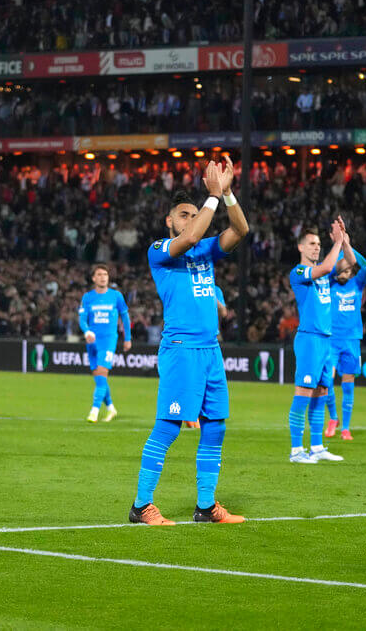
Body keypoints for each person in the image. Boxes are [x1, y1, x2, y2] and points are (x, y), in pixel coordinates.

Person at [130, 156, 249, 526]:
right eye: (184, 214)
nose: (190, 218)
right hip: (181, 350)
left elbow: (241, 230)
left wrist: (227, 194)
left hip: (211, 350)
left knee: (216, 425)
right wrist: (211, 197)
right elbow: (192, 235)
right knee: (168, 427)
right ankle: (141, 506)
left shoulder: (205, 251)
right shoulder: (159, 251)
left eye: (193, 212)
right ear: (169, 221)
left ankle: (206, 506)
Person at [288, 220, 349, 464]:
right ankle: (295, 451)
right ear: (300, 247)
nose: (316, 248)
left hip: (326, 341)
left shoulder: (325, 272)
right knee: (303, 393)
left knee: (321, 392)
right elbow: (325, 268)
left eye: (319, 244)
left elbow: (351, 263)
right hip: (309, 339)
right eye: (312, 244)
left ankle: (316, 447)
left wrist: (344, 240)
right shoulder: (299, 272)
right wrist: (336, 244)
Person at [324, 242, 366, 441]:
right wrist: (338, 256)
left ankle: (346, 428)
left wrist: (347, 245)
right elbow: (326, 268)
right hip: (331, 339)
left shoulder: (357, 284)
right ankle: (333, 418)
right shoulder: (329, 283)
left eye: (348, 270)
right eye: (341, 269)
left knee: (348, 385)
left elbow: (365, 266)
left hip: (351, 340)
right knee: (326, 381)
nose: (345, 272)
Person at [78, 264, 131, 423]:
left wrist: (127, 338)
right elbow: (82, 318)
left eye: (105, 274)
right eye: (99, 274)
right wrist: (86, 331)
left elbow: (125, 318)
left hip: (108, 340)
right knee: (100, 379)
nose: (103, 277)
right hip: (92, 341)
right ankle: (111, 408)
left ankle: (94, 411)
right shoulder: (87, 297)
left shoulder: (116, 296)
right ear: (94, 278)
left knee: (101, 373)